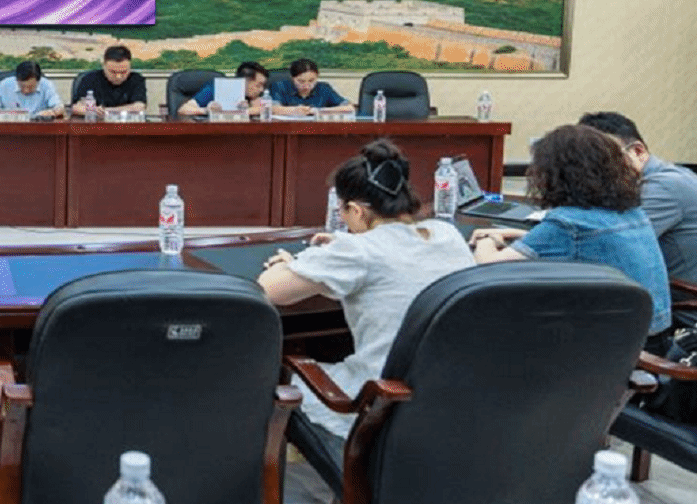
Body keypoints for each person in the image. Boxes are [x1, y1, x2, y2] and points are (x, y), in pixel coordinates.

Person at [257, 139, 474, 441]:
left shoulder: (357, 251)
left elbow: (269, 289)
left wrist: (294, 262)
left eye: (343, 211)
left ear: (357, 211)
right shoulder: (447, 234)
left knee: (273, 381)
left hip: (381, 404)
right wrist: (341, 249)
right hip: (453, 400)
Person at [472, 123, 671, 344]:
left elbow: (488, 267)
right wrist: (516, 234)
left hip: (614, 347)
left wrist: (486, 239)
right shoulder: (632, 211)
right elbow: (581, 241)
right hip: (655, 336)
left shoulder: (568, 223)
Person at [579, 111, 697, 322]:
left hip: (678, 311)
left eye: (603, 158)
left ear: (638, 151)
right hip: (651, 295)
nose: (595, 169)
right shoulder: (643, 181)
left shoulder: (665, 186)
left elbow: (609, 245)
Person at [70, 45, 147, 118]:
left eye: (123, 72)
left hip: (126, 124)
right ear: (104, 65)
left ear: (130, 66)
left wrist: (107, 111)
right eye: (113, 72)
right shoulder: (89, 78)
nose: (118, 76)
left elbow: (139, 107)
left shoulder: (136, 79)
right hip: (95, 124)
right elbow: (76, 107)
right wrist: (92, 110)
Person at [178, 61, 270, 117]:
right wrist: (206, 110)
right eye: (258, 85)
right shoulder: (216, 88)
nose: (261, 90)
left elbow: (270, 109)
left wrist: (260, 107)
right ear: (246, 81)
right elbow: (183, 110)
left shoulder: (256, 96)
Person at [269, 57, 353, 116]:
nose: (306, 86)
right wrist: (294, 111)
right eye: (301, 81)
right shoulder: (280, 86)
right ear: (292, 78)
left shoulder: (323, 88)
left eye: (311, 81)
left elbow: (349, 108)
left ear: (317, 77)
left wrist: (317, 111)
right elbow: (272, 108)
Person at [0, 60, 64, 119]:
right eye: (22, 86)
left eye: (31, 87)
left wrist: (52, 112)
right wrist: (7, 114)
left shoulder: (46, 85)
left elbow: (59, 107)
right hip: (10, 128)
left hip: (38, 128)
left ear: (38, 81)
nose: (26, 91)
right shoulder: (4, 85)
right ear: (17, 79)